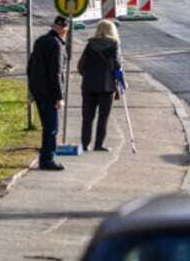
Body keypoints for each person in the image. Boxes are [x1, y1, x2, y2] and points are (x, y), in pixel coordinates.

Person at [76, 19, 125, 153]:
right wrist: (121, 83)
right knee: (103, 117)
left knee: (87, 117)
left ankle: (85, 144)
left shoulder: (90, 44)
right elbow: (117, 65)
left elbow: (81, 65)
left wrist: (87, 75)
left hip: (88, 85)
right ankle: (99, 144)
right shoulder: (114, 44)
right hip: (106, 86)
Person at [27, 16, 69, 171]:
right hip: (49, 92)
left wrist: (31, 89)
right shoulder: (57, 45)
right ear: (65, 30)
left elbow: (30, 66)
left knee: (47, 126)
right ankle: (47, 159)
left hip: (38, 90)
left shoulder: (41, 40)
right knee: (52, 127)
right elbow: (56, 73)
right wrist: (59, 97)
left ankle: (46, 157)